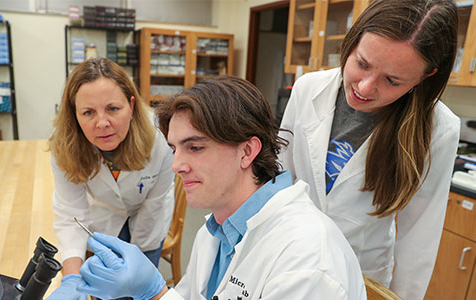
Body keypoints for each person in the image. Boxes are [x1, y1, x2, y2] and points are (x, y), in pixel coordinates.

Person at [66, 76, 367, 300]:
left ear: (247, 152)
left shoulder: (307, 259)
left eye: (195, 147)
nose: (176, 166)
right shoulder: (218, 229)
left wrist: (155, 291)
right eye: (174, 149)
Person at [278, 0, 460, 299]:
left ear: (425, 77)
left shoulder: (438, 129)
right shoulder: (308, 88)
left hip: (360, 276)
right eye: (362, 63)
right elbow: (279, 180)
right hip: (287, 257)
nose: (364, 87)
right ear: (352, 42)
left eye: (392, 80)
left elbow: (419, 238)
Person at [46, 57, 174, 300]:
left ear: (132, 105)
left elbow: (153, 204)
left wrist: (137, 263)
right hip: (104, 214)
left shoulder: (160, 137)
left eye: (113, 109)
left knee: (139, 290)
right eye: (88, 112)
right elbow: (70, 214)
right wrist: (71, 278)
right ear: (74, 114)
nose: (102, 123)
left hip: (148, 215)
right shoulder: (64, 144)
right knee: (105, 291)